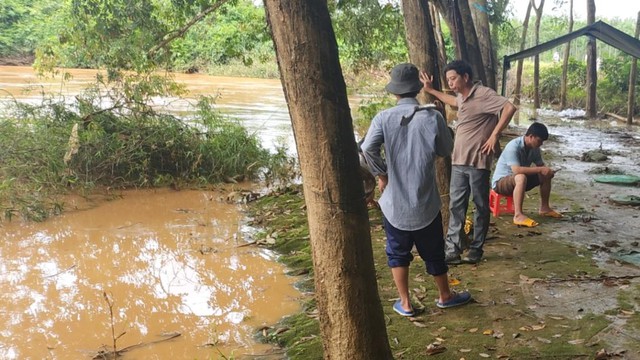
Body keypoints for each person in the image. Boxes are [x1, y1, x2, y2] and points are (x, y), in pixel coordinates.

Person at [362, 63, 472, 316]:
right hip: (426, 202)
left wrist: (382, 174)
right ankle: (445, 296)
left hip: (395, 204)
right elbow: (445, 150)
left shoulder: (383, 118)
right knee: (434, 251)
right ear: (416, 89)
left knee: (397, 252)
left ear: (395, 92)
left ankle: (406, 303)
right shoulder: (432, 116)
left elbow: (367, 148)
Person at [421, 60, 516, 265]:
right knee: (456, 206)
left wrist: (494, 136)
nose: (451, 83)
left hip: (478, 161)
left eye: (453, 79)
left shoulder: (483, 94)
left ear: (465, 77)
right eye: (448, 80)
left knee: (480, 206)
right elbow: (453, 101)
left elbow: (509, 107)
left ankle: (476, 249)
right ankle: (452, 251)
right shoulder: (462, 98)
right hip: (458, 161)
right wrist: (431, 90)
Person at [491, 122, 562, 227]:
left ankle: (545, 208)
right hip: (501, 183)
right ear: (531, 136)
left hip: (519, 181)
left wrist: (547, 171)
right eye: (539, 141)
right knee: (521, 177)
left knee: (545, 175)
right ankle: (518, 215)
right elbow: (517, 170)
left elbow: (541, 166)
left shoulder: (535, 149)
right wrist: (540, 169)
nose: (540, 144)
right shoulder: (513, 146)